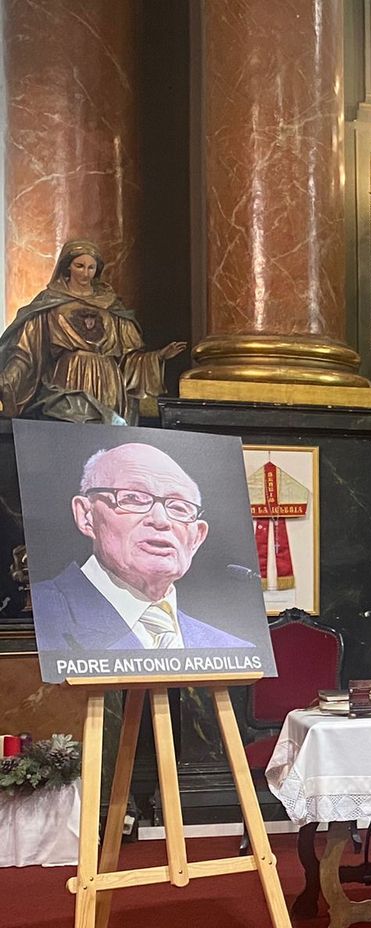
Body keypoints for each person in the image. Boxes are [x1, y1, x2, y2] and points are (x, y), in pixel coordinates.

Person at [31, 443, 252, 652]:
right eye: (134, 499)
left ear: (197, 538)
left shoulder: (232, 649)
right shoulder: (40, 614)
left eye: (179, 507)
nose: (160, 520)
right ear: (87, 515)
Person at [0, 240, 185, 424]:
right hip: (68, 378)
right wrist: (8, 380)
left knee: (104, 438)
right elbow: (26, 351)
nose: (85, 273)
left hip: (108, 382)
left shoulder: (111, 306)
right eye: (79, 266)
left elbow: (129, 357)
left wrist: (158, 357)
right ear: (67, 267)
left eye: (91, 267)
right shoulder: (50, 304)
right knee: (70, 429)